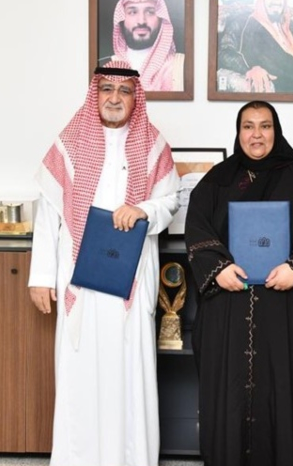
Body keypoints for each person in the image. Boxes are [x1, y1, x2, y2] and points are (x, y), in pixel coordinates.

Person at [28, 62, 180, 466]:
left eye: (124, 91)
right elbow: (48, 215)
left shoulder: (153, 146)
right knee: (80, 373)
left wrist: (143, 209)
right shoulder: (69, 144)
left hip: (130, 281)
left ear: (135, 97)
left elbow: (171, 201)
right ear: (95, 93)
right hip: (79, 281)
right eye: (107, 89)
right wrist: (41, 277)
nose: (114, 98)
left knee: (127, 374)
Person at [185, 101, 293, 466]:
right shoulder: (217, 180)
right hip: (228, 307)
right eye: (248, 126)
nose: (257, 135)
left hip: (285, 310)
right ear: (238, 133)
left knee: (283, 395)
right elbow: (197, 225)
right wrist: (218, 268)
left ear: (276, 131)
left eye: (265, 126)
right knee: (228, 399)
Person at [217, 0, 293, 94]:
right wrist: (251, 69)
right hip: (282, 92)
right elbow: (224, 52)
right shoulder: (243, 22)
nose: (277, 1)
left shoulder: (288, 23)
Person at [106, 0, 186, 92]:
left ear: (161, 18)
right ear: (122, 19)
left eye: (150, 12)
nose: (141, 21)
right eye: (132, 12)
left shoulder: (182, 66)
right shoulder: (106, 66)